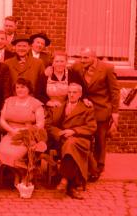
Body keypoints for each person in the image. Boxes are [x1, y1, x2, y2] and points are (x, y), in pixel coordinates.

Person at [71, 47, 120, 179]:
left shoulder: (107, 69)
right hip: (84, 108)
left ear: (94, 57)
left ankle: (98, 168)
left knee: (100, 140)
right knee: (85, 138)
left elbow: (115, 92)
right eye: (81, 57)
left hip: (101, 109)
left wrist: (115, 112)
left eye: (86, 58)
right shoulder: (76, 67)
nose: (82, 60)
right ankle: (86, 166)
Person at [46, 83, 97, 199]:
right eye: (69, 92)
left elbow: (92, 127)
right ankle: (71, 186)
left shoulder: (86, 108)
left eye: (74, 92)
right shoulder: (59, 107)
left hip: (81, 139)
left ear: (80, 95)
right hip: (62, 140)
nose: (71, 95)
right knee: (70, 144)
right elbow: (49, 125)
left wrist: (73, 131)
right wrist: (61, 133)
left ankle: (64, 180)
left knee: (71, 143)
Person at [0, 78, 47, 193]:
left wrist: (25, 130)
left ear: (29, 89)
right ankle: (18, 173)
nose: (20, 90)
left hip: (27, 135)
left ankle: (23, 175)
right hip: (11, 133)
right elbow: (2, 120)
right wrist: (11, 130)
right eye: (17, 87)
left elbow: (40, 124)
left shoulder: (36, 103)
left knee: (15, 154)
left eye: (23, 87)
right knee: (2, 152)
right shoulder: (9, 100)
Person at [4, 35, 47, 103]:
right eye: (19, 46)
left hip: (32, 102)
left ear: (29, 47)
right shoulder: (7, 63)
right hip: (13, 102)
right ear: (15, 47)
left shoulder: (38, 63)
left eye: (24, 46)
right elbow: (5, 86)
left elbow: (42, 86)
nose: (21, 48)